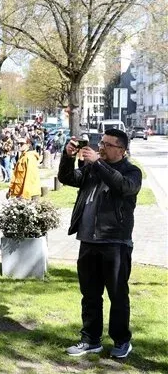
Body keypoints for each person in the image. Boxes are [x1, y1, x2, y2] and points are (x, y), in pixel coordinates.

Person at [59, 129, 141, 359]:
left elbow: (122, 187)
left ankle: (122, 340)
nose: (101, 147)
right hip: (88, 240)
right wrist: (67, 157)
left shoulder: (131, 172)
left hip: (115, 242)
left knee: (118, 295)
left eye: (107, 144)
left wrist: (97, 164)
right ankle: (91, 339)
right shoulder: (93, 168)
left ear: (122, 150)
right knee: (90, 294)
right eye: (101, 143)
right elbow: (67, 178)